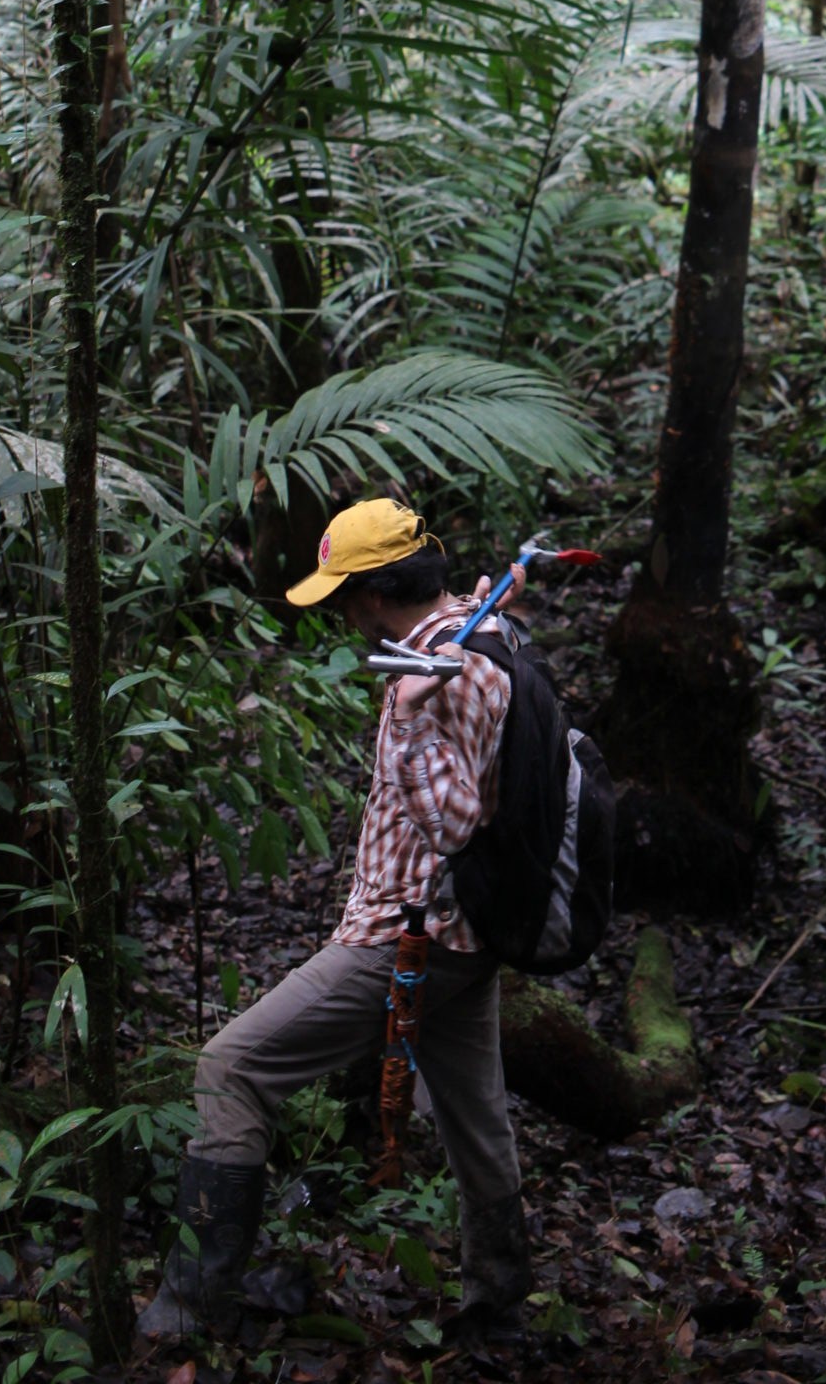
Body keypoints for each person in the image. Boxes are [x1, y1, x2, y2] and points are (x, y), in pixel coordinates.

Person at [139, 496, 532, 1346]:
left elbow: (460, 823)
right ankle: (499, 1305)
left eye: (348, 595)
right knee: (474, 1113)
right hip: (465, 936)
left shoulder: (442, 679)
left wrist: (413, 737)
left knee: (232, 1066)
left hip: (411, 936)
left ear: (378, 589)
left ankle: (186, 1315)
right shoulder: (463, 632)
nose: (345, 614)